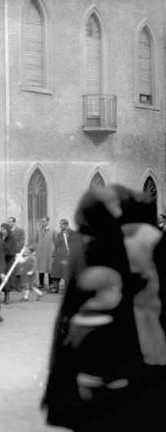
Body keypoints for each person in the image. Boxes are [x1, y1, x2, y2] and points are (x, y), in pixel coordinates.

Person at [42, 184, 166, 431]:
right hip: (143, 347)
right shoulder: (149, 239)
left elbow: (70, 309)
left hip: (94, 351)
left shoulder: (87, 244)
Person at [49, 219, 74, 293]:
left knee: (66, 273)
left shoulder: (71, 234)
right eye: (60, 224)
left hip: (67, 256)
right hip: (58, 256)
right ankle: (55, 288)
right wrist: (53, 255)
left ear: (66, 225)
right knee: (55, 272)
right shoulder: (59, 234)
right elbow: (56, 245)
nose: (60, 226)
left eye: (61, 224)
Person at [35, 216, 55, 291]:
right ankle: (41, 284)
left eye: (43, 221)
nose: (42, 223)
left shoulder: (53, 230)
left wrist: (54, 251)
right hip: (41, 252)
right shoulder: (38, 230)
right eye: (41, 221)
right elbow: (36, 240)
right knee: (41, 268)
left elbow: (55, 241)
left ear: (47, 222)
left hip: (49, 252)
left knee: (49, 268)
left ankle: (51, 284)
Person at [0, 222, 17, 304]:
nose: (3, 231)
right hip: (1, 261)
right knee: (0, 279)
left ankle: (7, 296)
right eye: (2, 229)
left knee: (7, 279)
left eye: (4, 229)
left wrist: (2, 248)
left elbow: (11, 250)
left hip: (8, 261)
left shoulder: (11, 238)